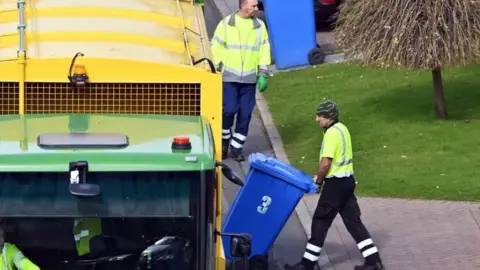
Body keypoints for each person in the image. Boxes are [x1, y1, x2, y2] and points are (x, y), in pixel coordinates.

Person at [285, 100, 384, 270]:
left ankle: (307, 265)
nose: (317, 119)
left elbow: (326, 164)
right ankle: (373, 261)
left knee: (320, 221)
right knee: (354, 222)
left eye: (320, 116)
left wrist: (319, 181)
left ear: (329, 117)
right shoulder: (343, 129)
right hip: (347, 182)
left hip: (335, 185)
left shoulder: (331, 134)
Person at [211, 0, 271, 161]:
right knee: (228, 110)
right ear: (243, 5)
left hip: (249, 80)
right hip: (229, 78)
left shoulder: (259, 27)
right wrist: (219, 67)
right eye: (253, 6)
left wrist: (264, 73)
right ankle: (224, 142)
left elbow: (264, 50)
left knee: (245, 115)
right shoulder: (226, 24)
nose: (257, 9)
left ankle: (236, 148)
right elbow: (216, 47)